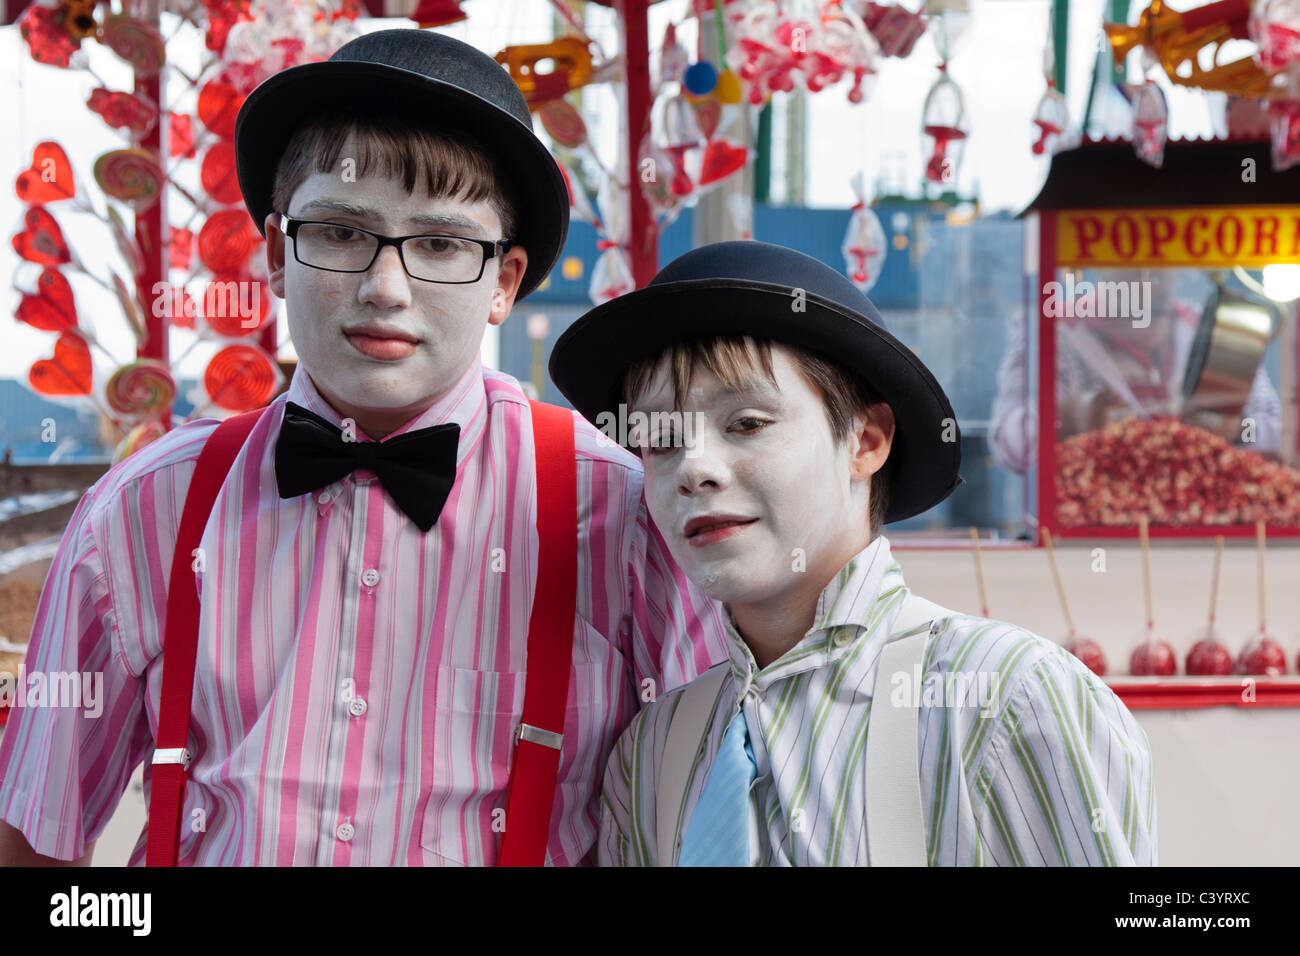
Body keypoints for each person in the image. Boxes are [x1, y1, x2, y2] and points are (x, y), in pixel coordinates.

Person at [0, 29, 727, 867]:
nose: (385, 288)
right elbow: (38, 841)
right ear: (275, 253)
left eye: (442, 244)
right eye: (343, 233)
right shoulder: (143, 510)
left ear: (504, 281)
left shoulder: (626, 514)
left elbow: (702, 829)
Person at [549, 241, 1157, 866]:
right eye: (662, 439)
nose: (694, 468)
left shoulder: (1007, 700)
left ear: (865, 441)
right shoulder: (653, 751)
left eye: (748, 423)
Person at [990, 268, 1283, 475]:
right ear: (1099, 266)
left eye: (1160, 271)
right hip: (1093, 532)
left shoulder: (1210, 330)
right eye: (1134, 274)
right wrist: (1073, 417)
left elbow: (1279, 430)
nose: (1149, 283)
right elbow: (1010, 445)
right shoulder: (1053, 332)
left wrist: (1236, 430)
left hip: (1208, 527)